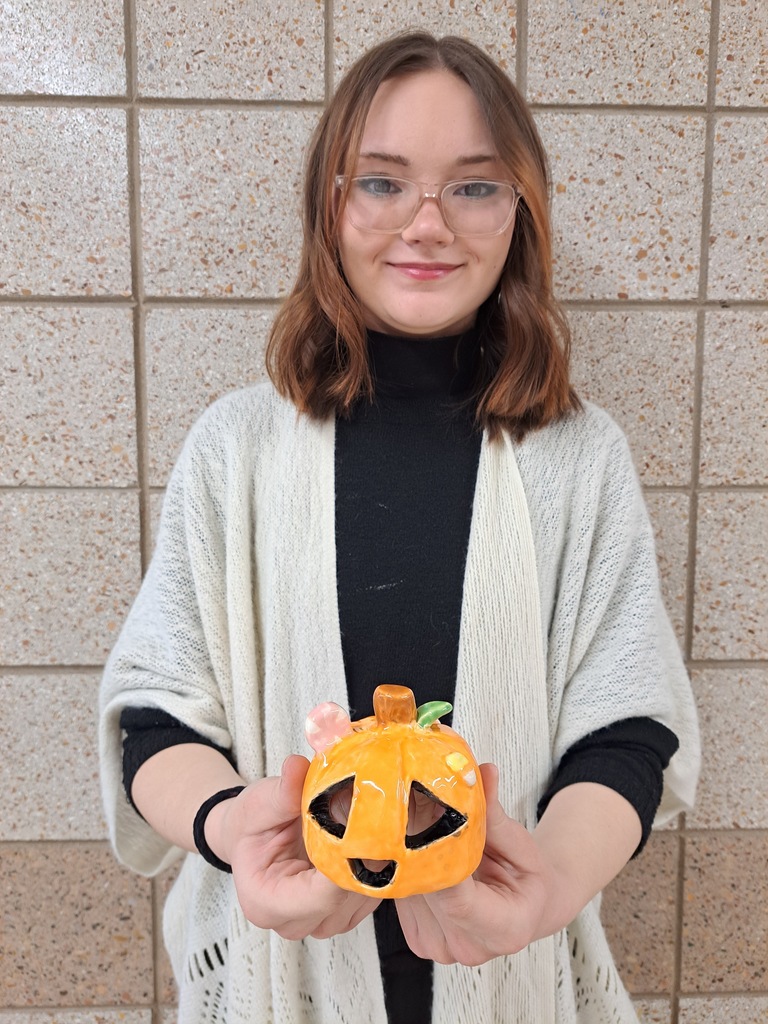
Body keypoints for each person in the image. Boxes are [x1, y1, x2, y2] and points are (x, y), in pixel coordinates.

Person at [99, 31, 700, 1024]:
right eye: (382, 183)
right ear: (329, 205)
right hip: (276, 977)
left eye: (474, 187)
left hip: (513, 978)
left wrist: (549, 882)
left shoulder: (579, 456)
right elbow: (159, 719)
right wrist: (234, 828)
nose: (428, 224)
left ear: (520, 211)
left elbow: (626, 732)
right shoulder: (237, 449)